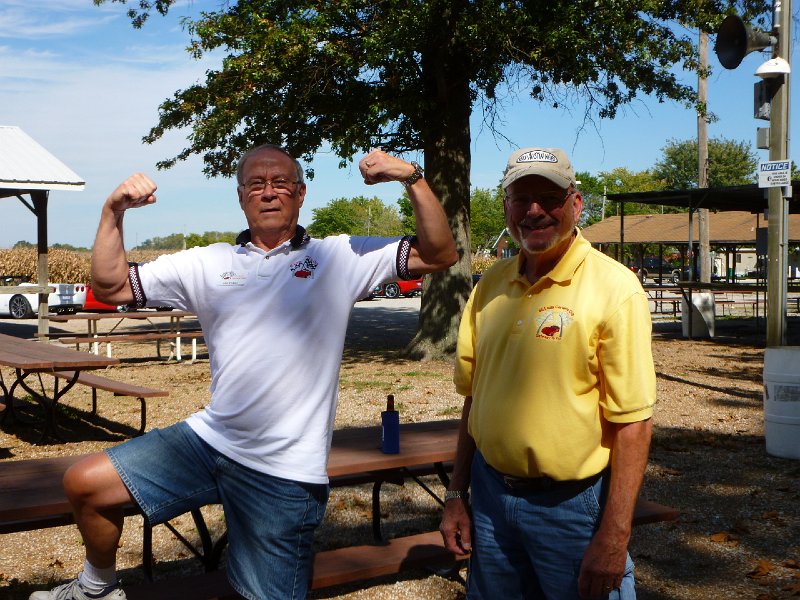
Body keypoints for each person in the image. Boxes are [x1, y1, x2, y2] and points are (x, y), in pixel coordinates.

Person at [30, 145, 457, 600]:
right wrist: (113, 211)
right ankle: (96, 588)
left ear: (300, 193)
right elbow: (111, 286)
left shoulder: (340, 257)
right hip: (210, 442)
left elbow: (440, 253)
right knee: (86, 484)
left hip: (284, 472)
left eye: (280, 184)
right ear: (241, 198)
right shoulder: (207, 262)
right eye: (256, 184)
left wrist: (411, 176)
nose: (269, 192)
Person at [439, 147, 655, 600]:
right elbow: (474, 400)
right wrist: (457, 493)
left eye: (549, 197)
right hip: (491, 497)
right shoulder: (489, 287)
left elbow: (633, 424)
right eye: (521, 198)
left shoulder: (615, 289)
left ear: (575, 204)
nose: (534, 211)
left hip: (573, 507)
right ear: (506, 209)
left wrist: (615, 537)